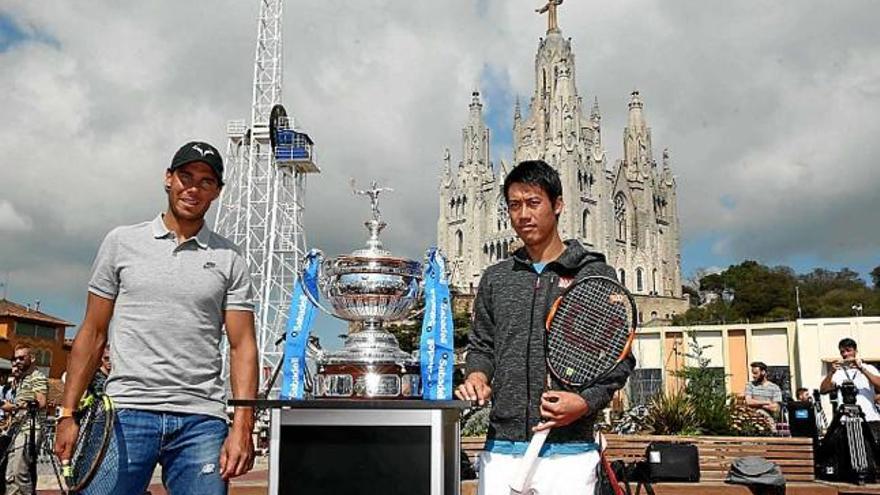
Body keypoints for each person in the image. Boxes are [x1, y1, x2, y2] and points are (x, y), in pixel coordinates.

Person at [54, 141, 259, 494]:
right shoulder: (121, 242)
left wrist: (242, 426)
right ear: (168, 178)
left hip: (202, 418)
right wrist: (67, 413)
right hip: (127, 411)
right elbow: (92, 332)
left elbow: (243, 346)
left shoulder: (230, 257)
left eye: (206, 182)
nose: (193, 188)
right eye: (185, 176)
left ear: (217, 192)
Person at [454, 160, 634, 495]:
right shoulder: (496, 278)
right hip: (502, 450)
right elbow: (482, 346)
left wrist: (585, 402)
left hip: (568, 453)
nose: (523, 215)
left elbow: (619, 359)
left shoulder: (593, 275)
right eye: (514, 205)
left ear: (558, 204)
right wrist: (477, 375)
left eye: (534, 203)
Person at [1, 345, 47, 495]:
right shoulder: (23, 379)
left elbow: (41, 402)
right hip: (18, 430)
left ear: (32, 358)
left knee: (20, 473)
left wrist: (13, 407)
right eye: (16, 358)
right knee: (10, 475)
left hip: (30, 429)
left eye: (22, 358)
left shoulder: (37, 376)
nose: (18, 361)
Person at [819, 337, 880, 444]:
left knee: (873, 454)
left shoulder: (868, 368)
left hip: (869, 418)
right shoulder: (839, 372)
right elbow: (823, 390)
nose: (845, 354)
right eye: (842, 351)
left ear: (855, 351)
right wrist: (831, 372)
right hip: (846, 421)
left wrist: (862, 369)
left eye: (848, 350)